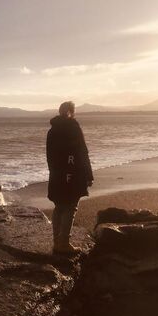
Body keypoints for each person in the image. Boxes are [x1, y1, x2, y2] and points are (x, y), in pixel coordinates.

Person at [46, 101, 93, 254]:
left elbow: (49, 156)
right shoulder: (74, 128)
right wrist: (88, 174)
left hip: (57, 174)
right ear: (72, 112)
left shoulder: (52, 131)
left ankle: (56, 242)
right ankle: (64, 243)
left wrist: (54, 172)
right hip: (74, 173)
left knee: (59, 206)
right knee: (71, 206)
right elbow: (82, 153)